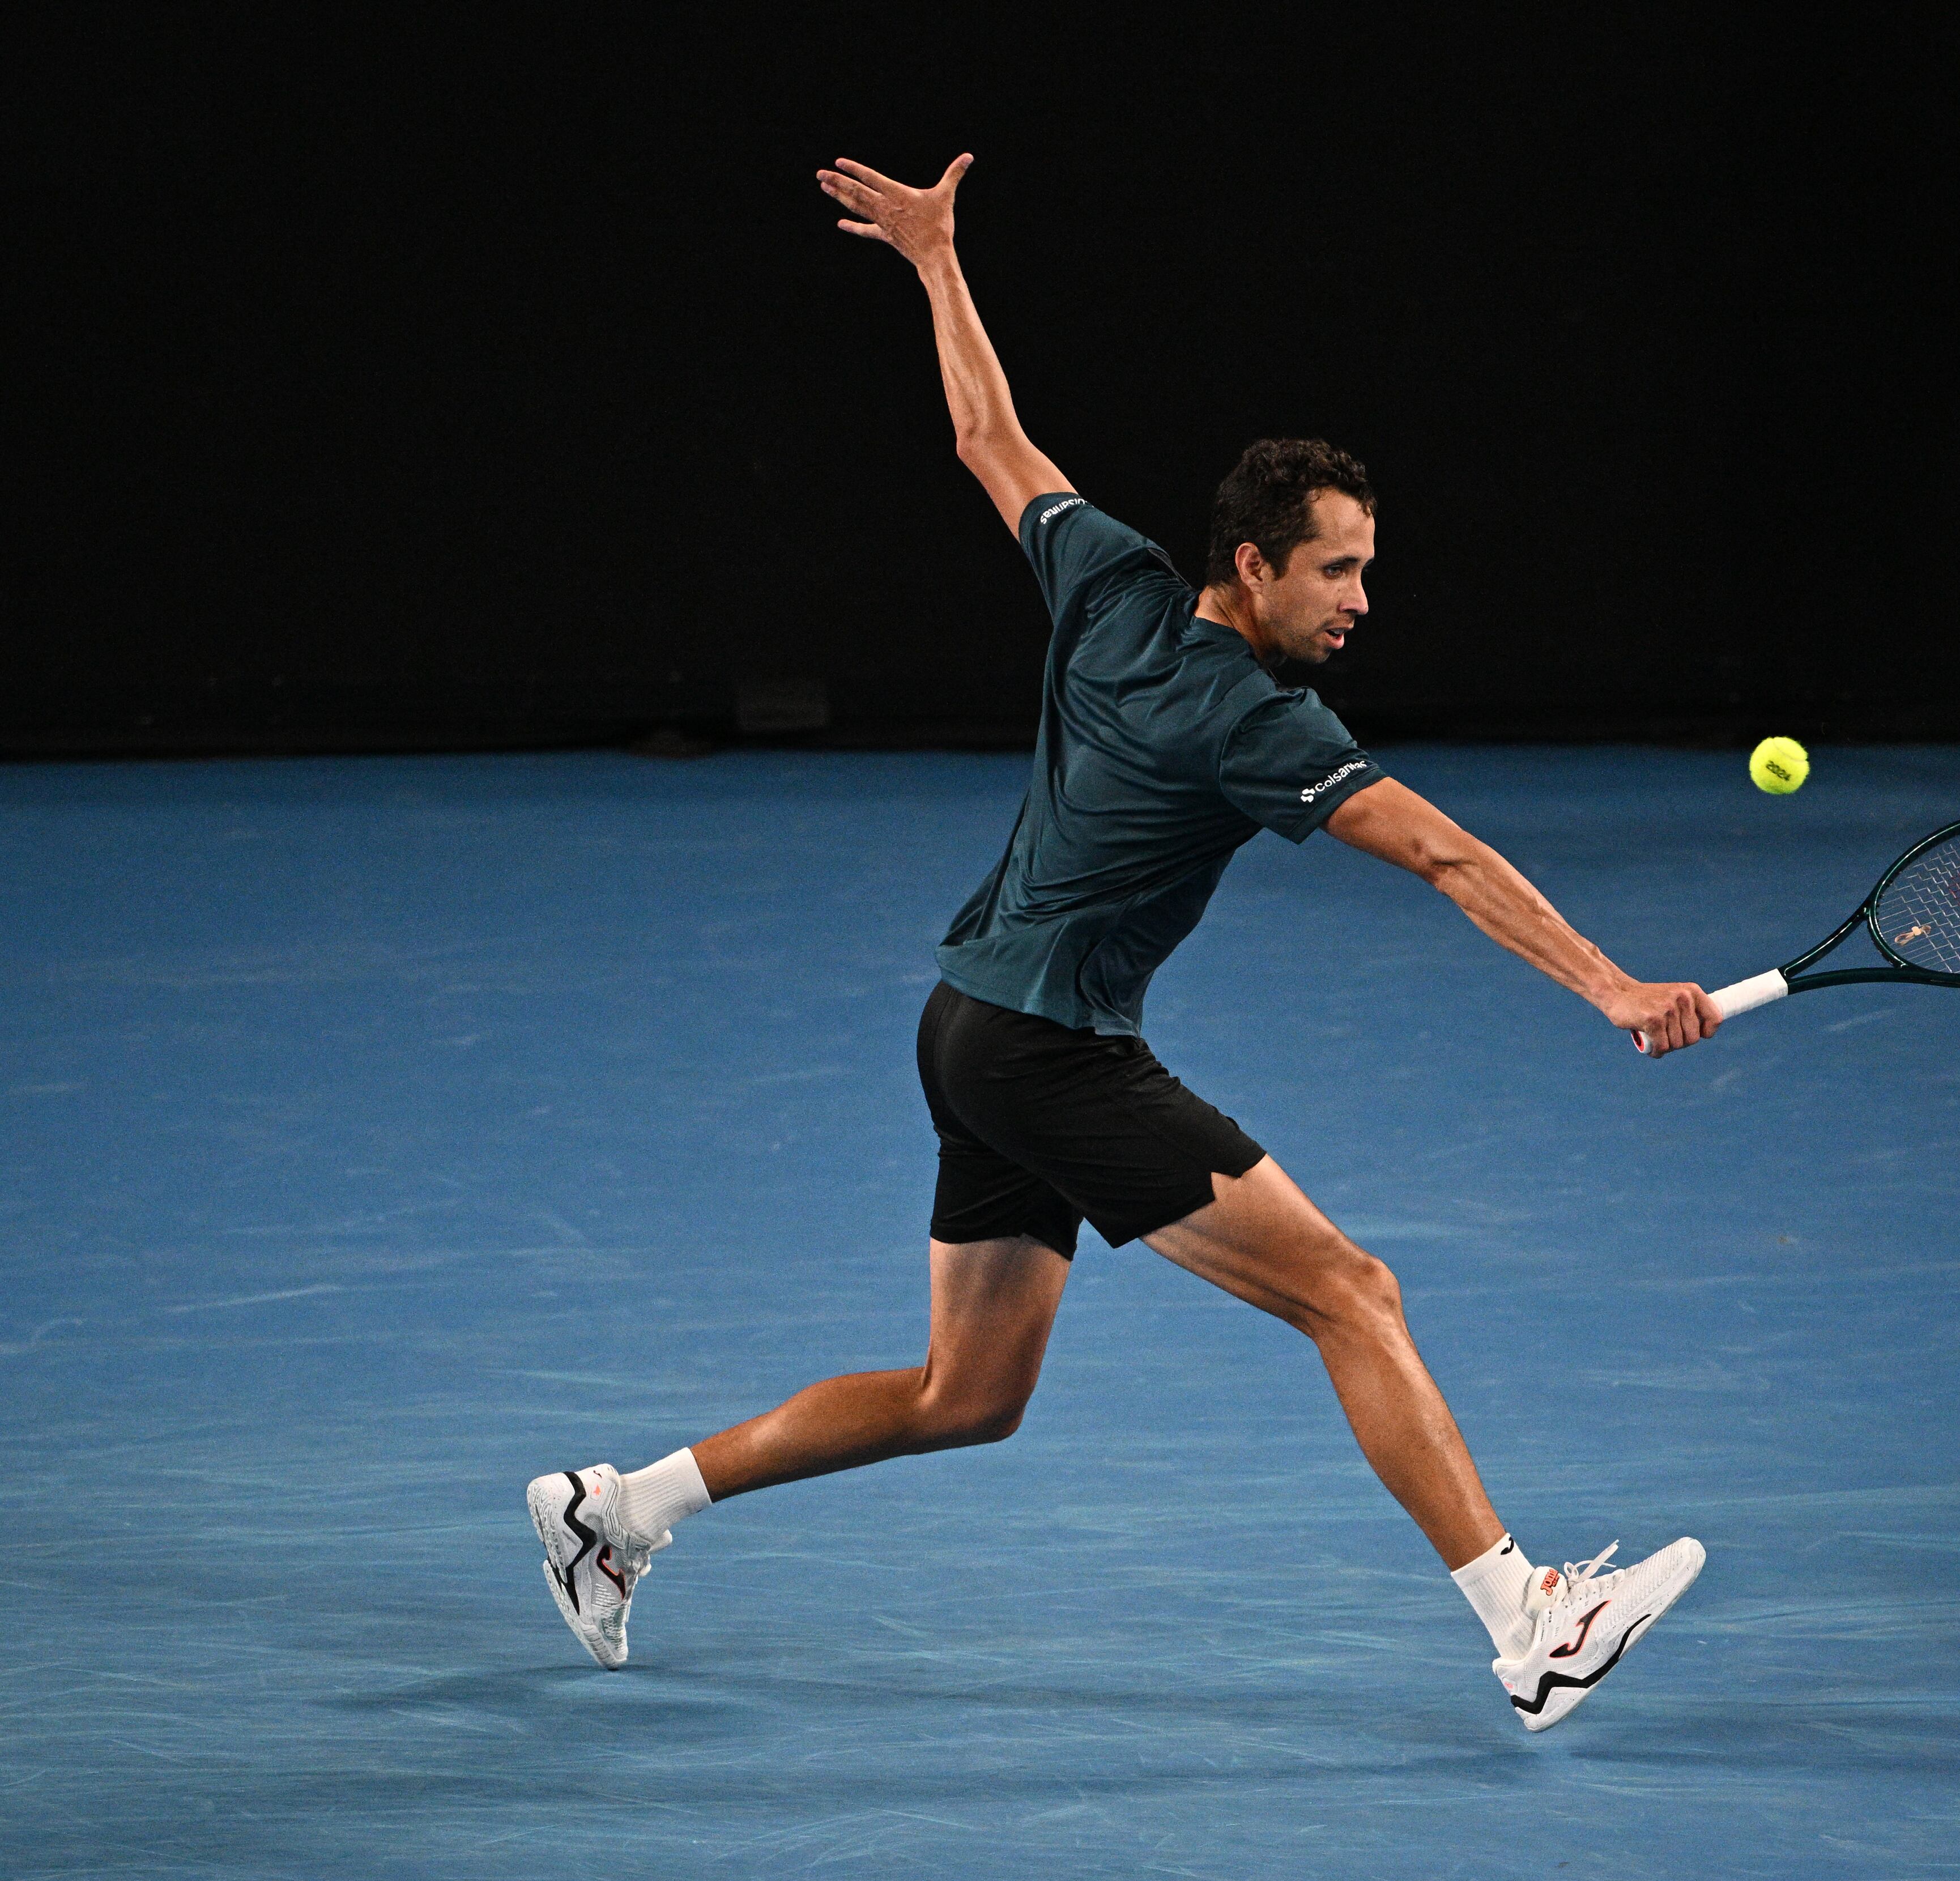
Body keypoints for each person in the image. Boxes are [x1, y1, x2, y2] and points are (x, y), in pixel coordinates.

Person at [523, 150, 1714, 1733]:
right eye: (1339, 567)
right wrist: (1611, 983)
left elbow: (984, 435)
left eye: (1370, 561)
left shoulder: (1110, 582)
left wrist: (938, 264)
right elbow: (1436, 848)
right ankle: (1528, 1617)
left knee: (969, 1395)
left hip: (966, 1021)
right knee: (1352, 1290)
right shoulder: (1257, 719)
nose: (1366, 594)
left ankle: (620, 1507)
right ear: (1256, 565)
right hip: (1050, 1051)